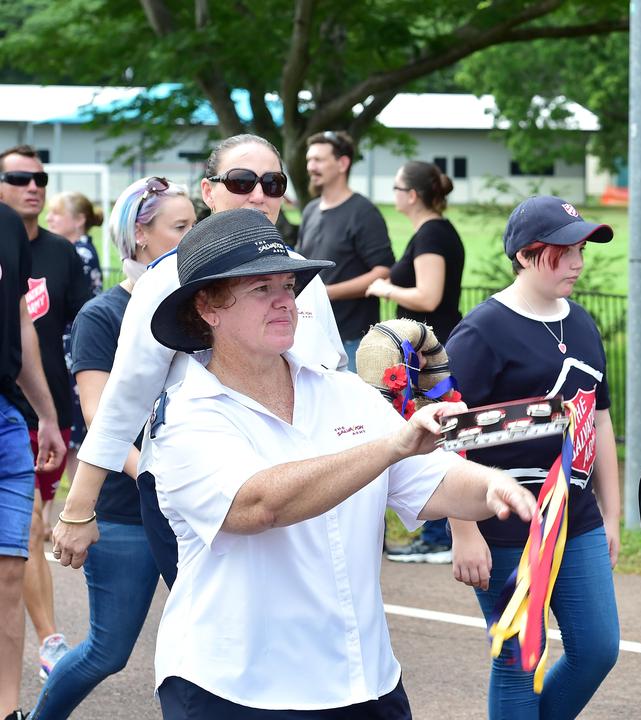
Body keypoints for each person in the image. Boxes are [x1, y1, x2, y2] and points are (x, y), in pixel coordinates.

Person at [140, 208, 534, 717]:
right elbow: (256, 505)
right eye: (262, 289)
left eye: (289, 286)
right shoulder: (184, 415)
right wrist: (390, 446)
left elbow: (431, 482)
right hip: (237, 689)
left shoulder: (344, 392)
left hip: (365, 682)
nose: (286, 302)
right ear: (207, 308)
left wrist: (494, 487)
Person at [53, 134, 346, 592]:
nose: (258, 194)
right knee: (220, 629)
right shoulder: (167, 278)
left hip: (295, 484)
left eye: (272, 182)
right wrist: (78, 509)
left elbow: (331, 380)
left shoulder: (300, 272)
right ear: (208, 192)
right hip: (197, 490)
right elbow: (123, 401)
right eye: (241, 180)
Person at [446, 195, 621, 718]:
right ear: (525, 254)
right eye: (563, 251)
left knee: (597, 650)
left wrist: (611, 515)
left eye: (581, 250)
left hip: (577, 517)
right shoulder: (481, 332)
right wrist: (463, 530)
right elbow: (446, 436)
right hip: (500, 521)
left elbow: (600, 421)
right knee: (521, 657)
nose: (577, 262)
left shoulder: (584, 323)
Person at [30, 178, 195, 719]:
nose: (194, 238)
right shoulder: (102, 316)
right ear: (140, 235)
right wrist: (157, 474)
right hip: (126, 510)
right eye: (181, 228)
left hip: (196, 508)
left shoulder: (204, 307)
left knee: (211, 644)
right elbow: (104, 420)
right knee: (108, 652)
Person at [0, 144, 92, 681]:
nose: (32, 185)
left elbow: (72, 327)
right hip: (16, 412)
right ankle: (50, 639)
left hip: (45, 406)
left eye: (39, 178)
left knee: (26, 531)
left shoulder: (59, 253)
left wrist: (60, 411)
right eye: (18, 176)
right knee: (29, 527)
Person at [369, 160, 465, 565]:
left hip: (434, 353)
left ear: (411, 195)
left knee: (435, 438)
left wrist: (383, 286)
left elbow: (429, 297)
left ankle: (438, 535)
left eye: (395, 188)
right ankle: (436, 532)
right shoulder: (431, 232)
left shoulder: (432, 234)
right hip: (429, 351)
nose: (392, 195)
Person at [0, 201, 66, 720]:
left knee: (11, 569)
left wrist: (44, 413)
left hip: (6, 418)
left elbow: (19, 320)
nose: (30, 187)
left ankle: (7, 712)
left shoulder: (5, 224)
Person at [297, 130, 394, 367]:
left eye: (319, 160)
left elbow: (383, 272)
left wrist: (326, 293)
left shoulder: (363, 212)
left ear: (342, 163)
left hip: (352, 342)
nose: (311, 166)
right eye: (309, 160)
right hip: (310, 337)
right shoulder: (310, 210)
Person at [45, 191, 105, 518]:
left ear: (78, 220)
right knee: (75, 433)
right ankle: (75, 506)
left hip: (74, 345)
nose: (50, 219)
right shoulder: (79, 251)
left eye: (56, 213)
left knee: (78, 427)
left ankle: (79, 507)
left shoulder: (77, 253)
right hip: (74, 342)